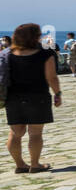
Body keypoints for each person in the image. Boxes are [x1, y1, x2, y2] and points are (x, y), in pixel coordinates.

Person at [5, 23, 61, 174]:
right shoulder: (44, 53)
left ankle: (20, 165)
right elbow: (52, 78)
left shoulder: (7, 54)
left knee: (15, 133)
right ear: (36, 36)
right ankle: (35, 165)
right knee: (35, 133)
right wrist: (58, 94)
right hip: (38, 97)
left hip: (13, 98)